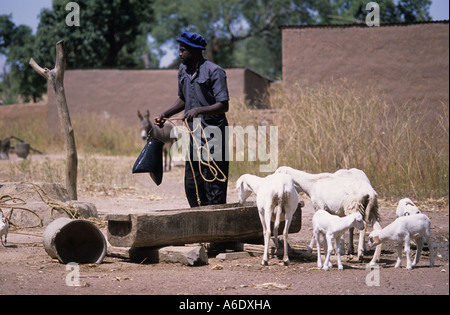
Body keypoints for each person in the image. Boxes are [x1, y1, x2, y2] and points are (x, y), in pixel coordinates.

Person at [154, 32, 229, 208]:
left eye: (183, 50)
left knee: (213, 184)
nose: (180, 54)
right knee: (192, 183)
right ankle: (198, 219)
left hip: (214, 135)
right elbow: (183, 99)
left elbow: (223, 105)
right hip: (193, 135)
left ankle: (215, 227)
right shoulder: (183, 71)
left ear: (195, 51)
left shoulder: (215, 71)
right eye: (179, 50)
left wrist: (199, 110)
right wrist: (166, 113)